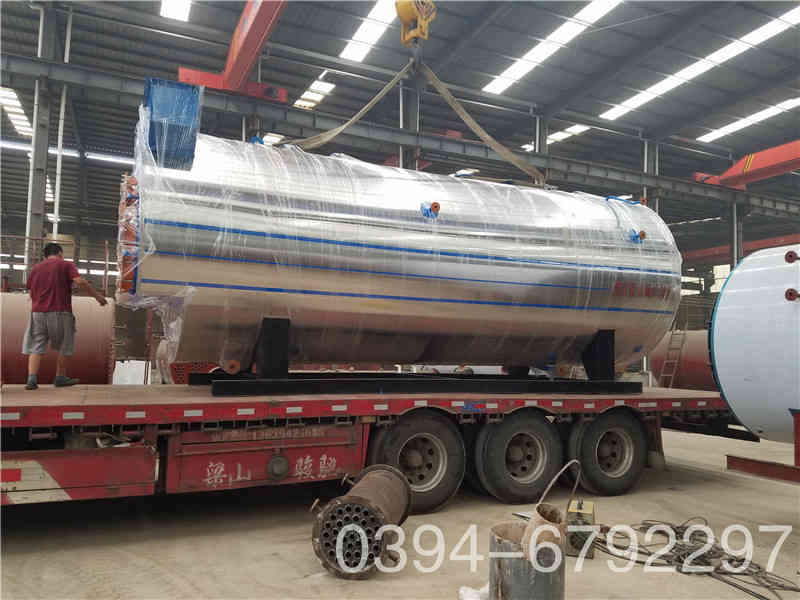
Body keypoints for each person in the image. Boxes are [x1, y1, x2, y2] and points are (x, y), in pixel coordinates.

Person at [22, 243, 107, 390]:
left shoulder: (36, 268)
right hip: (59, 311)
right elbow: (80, 281)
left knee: (37, 345)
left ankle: (31, 379)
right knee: (65, 344)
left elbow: (29, 287)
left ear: (45, 255)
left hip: (37, 313)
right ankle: (60, 377)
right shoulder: (65, 265)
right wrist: (97, 296)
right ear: (60, 253)